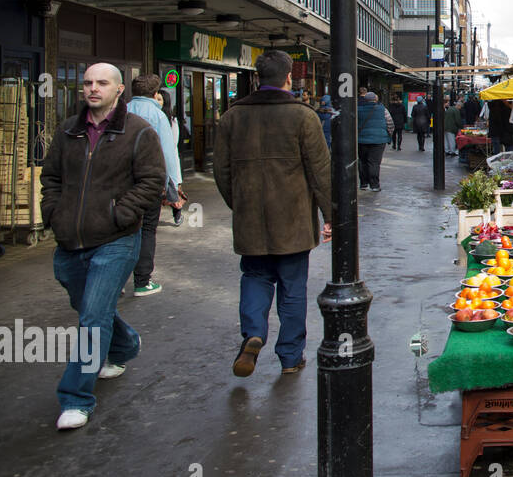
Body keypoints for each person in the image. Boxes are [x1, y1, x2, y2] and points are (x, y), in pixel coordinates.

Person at [40, 62, 165, 430]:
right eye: (88, 82)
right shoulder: (67, 131)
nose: (93, 88)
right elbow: (50, 177)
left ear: (119, 89)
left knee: (93, 317)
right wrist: (54, 212)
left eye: (102, 83)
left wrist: (120, 214)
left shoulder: (138, 132)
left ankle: (75, 398)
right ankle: (125, 346)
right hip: (70, 241)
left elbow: (152, 181)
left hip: (116, 239)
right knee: (90, 308)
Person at [214, 50, 331, 377]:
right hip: (292, 221)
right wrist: (330, 214)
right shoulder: (303, 116)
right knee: (293, 289)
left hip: (250, 219)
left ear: (257, 78)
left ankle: (253, 333)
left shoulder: (232, 116)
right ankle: (291, 357)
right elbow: (320, 171)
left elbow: (221, 172)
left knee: (254, 277)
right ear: (288, 78)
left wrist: (240, 205)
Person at [126, 74, 183, 297]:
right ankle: (142, 281)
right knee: (147, 229)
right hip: (149, 182)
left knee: (123, 230)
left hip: (122, 183)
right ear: (155, 93)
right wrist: (174, 184)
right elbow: (168, 154)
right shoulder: (158, 116)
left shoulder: (121, 112)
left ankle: (117, 280)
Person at [158, 89, 188, 225]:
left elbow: (173, 144)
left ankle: (177, 214)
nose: (156, 102)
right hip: (156, 162)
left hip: (169, 161)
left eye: (159, 99)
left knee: (172, 191)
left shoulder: (172, 121)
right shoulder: (154, 118)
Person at [356, 90, 393, 191]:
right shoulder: (382, 109)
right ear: (375, 99)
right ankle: (374, 185)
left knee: (363, 161)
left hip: (361, 140)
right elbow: (390, 123)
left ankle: (363, 183)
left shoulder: (357, 109)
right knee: (374, 162)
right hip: (378, 140)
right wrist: (389, 135)